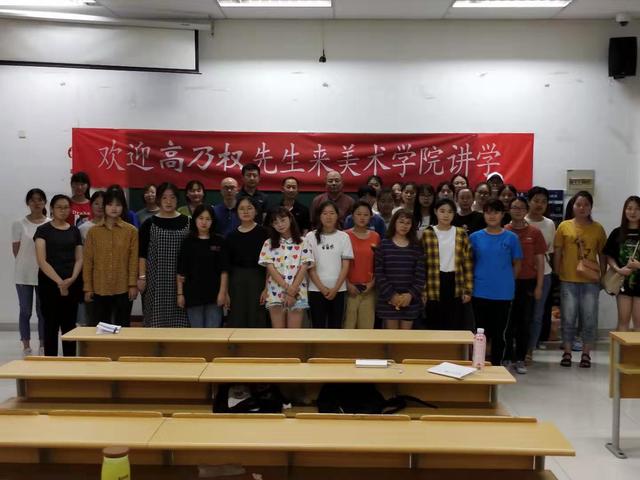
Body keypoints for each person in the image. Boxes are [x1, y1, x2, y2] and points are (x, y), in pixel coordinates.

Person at [554, 191, 606, 368]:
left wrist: (603, 276)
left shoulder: (598, 228)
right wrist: (557, 272)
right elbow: (558, 251)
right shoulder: (564, 226)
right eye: (578, 204)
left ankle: (586, 354)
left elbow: (603, 255)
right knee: (568, 318)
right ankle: (567, 352)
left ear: (591, 207)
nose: (582, 208)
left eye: (586, 205)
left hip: (590, 281)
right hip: (568, 279)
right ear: (573, 206)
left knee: (589, 319)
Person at [470, 200, 522, 367]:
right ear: (483, 214)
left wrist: (507, 281)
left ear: (502, 215)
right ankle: (479, 363)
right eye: (488, 212)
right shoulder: (475, 237)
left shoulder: (512, 238)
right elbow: (470, 263)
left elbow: (517, 264)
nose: (492, 216)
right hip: (480, 291)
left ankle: (497, 365)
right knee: (480, 331)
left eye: (496, 212)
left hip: (503, 293)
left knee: (499, 332)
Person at [34, 195, 83, 356]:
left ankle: (70, 361)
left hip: (72, 283)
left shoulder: (74, 230)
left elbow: (79, 258)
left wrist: (72, 279)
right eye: (59, 207)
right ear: (52, 209)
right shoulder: (43, 230)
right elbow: (42, 260)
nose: (63, 210)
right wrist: (60, 282)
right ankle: (51, 362)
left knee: (69, 325)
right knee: (51, 325)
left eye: (66, 207)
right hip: (49, 284)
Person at [83, 189, 139, 327]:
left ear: (123, 207)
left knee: (123, 326)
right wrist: (88, 287)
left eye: (118, 204)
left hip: (123, 287)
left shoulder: (131, 231)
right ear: (105, 206)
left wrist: (132, 284)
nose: (114, 208)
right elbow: (88, 261)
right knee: (101, 327)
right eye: (110, 204)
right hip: (100, 286)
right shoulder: (93, 232)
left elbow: (133, 260)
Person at [138, 182, 190, 328]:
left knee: (181, 324)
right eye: (164, 197)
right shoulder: (149, 223)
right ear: (159, 199)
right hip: (155, 279)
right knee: (155, 322)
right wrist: (142, 277)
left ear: (177, 200)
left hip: (180, 280)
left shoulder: (188, 222)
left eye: (172, 197)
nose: (168, 201)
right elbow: (142, 254)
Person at [504, 197, 546, 374]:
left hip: (527, 282)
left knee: (524, 322)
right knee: (508, 323)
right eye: (514, 207)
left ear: (526, 210)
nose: (518, 210)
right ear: (509, 210)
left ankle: (520, 358)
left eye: (521, 208)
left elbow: (540, 261)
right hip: (506, 283)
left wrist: (539, 286)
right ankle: (507, 357)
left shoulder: (535, 233)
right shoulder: (504, 231)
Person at [259, 207, 314, 328]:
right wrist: (286, 288)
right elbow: (270, 269)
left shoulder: (303, 242)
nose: (280, 224)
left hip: (298, 291)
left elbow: (304, 267)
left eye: (283, 220)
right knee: (278, 333)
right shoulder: (268, 243)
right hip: (275, 291)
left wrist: (292, 291)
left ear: (290, 219)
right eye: (275, 222)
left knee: (293, 333)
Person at [423, 199, 473, 331]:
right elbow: (422, 264)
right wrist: (423, 290)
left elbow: (467, 263)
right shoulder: (428, 233)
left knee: (454, 322)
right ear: (435, 212)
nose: (446, 215)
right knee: (434, 322)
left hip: (455, 281)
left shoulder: (461, 233)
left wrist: (467, 289)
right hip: (433, 281)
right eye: (442, 211)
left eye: (450, 212)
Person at [177, 204, 228, 328]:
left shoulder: (219, 241)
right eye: (201, 218)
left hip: (214, 294)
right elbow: (181, 271)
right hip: (192, 294)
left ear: (213, 221)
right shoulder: (187, 241)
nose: (204, 222)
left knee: (213, 333)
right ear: (195, 219)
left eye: (208, 219)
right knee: (197, 333)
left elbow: (224, 270)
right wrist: (180, 294)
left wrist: (223, 293)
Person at [375, 209, 425, 330]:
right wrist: (392, 295)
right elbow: (379, 273)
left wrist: (410, 295)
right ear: (394, 223)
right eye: (401, 222)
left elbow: (420, 275)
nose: (404, 225)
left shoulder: (416, 247)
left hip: (410, 300)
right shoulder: (384, 245)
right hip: (388, 299)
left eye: (408, 223)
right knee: (391, 338)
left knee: (406, 338)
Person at [12, 189, 48, 356]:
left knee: (43, 311)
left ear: (45, 202)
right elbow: (16, 250)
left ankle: (43, 343)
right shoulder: (18, 223)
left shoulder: (49, 223)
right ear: (28, 203)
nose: (36, 203)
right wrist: (27, 263)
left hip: (44, 274)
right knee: (25, 311)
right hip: (23, 274)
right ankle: (26, 344)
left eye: (40, 199)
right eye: (33, 200)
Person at [306, 201, 353, 329]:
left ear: (337, 215)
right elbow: (310, 267)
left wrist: (336, 288)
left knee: (336, 328)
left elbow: (345, 266)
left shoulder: (344, 237)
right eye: (325, 213)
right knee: (318, 327)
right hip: (316, 289)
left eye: (332, 213)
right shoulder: (310, 237)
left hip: (339, 290)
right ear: (319, 216)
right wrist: (322, 288)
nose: (328, 216)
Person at [223, 197, 269, 328]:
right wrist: (226, 292)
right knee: (237, 318)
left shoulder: (264, 233)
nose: (245, 211)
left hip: (258, 280)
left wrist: (266, 288)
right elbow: (226, 266)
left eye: (249, 208)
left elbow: (269, 264)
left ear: (256, 211)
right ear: (236, 212)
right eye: (241, 209)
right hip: (236, 282)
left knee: (257, 317)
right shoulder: (231, 236)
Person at [525, 186, 556, 360]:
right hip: (523, 274)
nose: (539, 205)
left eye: (543, 202)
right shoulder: (521, 221)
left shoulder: (550, 224)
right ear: (529, 201)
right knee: (522, 313)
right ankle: (518, 347)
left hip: (544, 274)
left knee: (537, 314)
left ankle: (530, 349)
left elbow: (550, 250)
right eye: (536, 200)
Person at [604, 196, 640, 332]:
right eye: (629, 208)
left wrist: (638, 266)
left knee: (639, 324)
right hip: (623, 283)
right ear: (625, 210)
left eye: (637, 209)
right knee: (623, 321)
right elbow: (609, 256)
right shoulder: (617, 232)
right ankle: (620, 347)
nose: (633, 212)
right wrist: (618, 269)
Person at [345, 201, 381, 329]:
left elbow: (379, 264)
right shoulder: (344, 236)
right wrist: (347, 284)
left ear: (371, 217)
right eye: (358, 214)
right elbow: (338, 264)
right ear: (352, 216)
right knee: (348, 328)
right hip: (348, 289)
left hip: (368, 289)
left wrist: (372, 283)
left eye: (366, 215)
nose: (362, 217)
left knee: (366, 329)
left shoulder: (375, 236)